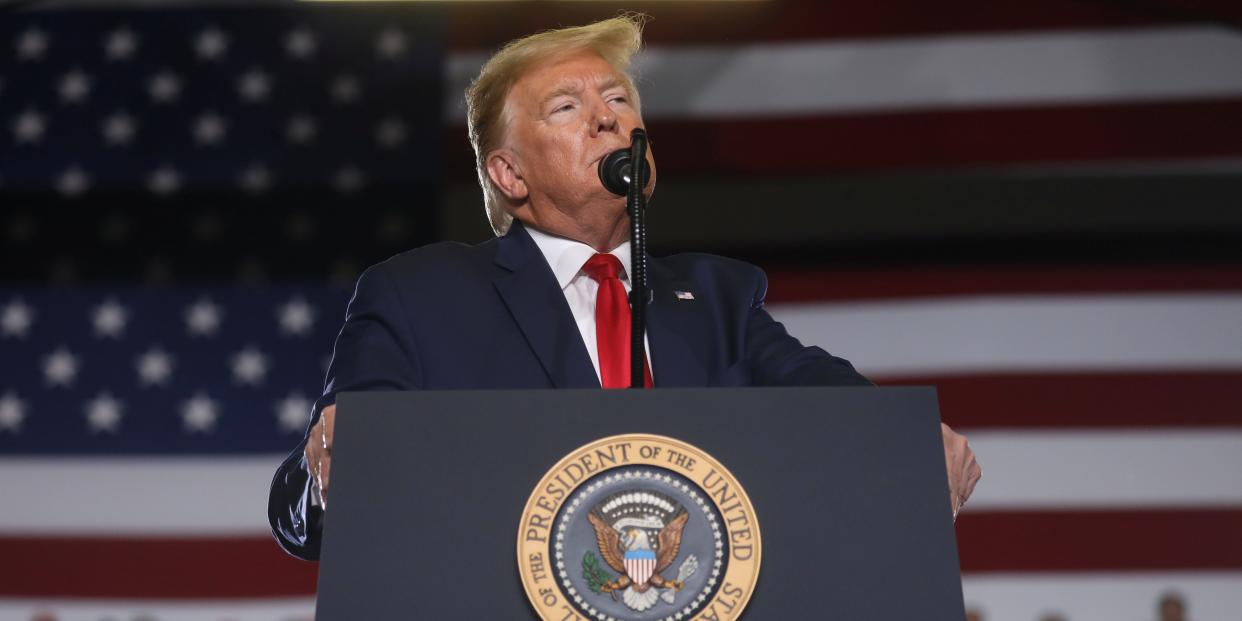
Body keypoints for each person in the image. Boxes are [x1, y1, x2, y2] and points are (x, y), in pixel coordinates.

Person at [267, 15, 981, 561]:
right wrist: (326, 470)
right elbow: (317, 494)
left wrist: (905, 442)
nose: (609, 116)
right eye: (567, 108)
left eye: (617, 99)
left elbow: (828, 400)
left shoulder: (718, 300)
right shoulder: (420, 295)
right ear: (509, 175)